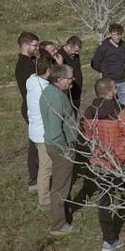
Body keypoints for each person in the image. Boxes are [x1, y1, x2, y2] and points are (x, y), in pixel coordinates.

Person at [81, 78, 125, 251]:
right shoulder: (119, 111)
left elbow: (89, 135)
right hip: (123, 161)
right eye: (115, 88)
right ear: (109, 92)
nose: (117, 90)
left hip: (101, 162)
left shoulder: (89, 112)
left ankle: (109, 240)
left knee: (104, 200)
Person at [41, 64, 80, 235]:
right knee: (60, 186)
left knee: (63, 183)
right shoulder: (56, 97)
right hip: (60, 147)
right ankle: (58, 225)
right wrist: (65, 149)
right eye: (70, 78)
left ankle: (65, 213)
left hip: (57, 145)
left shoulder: (52, 92)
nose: (73, 80)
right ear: (59, 80)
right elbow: (56, 129)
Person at [26, 57, 54, 207]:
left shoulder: (31, 81)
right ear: (48, 70)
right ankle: (44, 200)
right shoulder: (45, 89)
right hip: (43, 132)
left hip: (34, 130)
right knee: (46, 166)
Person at [14, 32, 40, 191]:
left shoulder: (31, 61)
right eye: (34, 46)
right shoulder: (25, 65)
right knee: (35, 143)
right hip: (31, 108)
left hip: (33, 107)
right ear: (25, 45)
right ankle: (34, 179)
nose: (36, 48)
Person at [91, 23, 125, 107]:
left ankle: (122, 119)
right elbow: (94, 63)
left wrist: (121, 68)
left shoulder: (123, 45)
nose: (117, 37)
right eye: (115, 34)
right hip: (109, 82)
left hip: (122, 80)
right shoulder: (103, 48)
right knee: (109, 104)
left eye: (119, 34)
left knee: (123, 104)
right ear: (110, 34)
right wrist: (105, 71)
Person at [59, 36, 84, 111]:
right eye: (75, 51)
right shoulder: (60, 56)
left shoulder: (75, 55)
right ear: (69, 46)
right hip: (68, 94)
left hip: (77, 93)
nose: (77, 53)